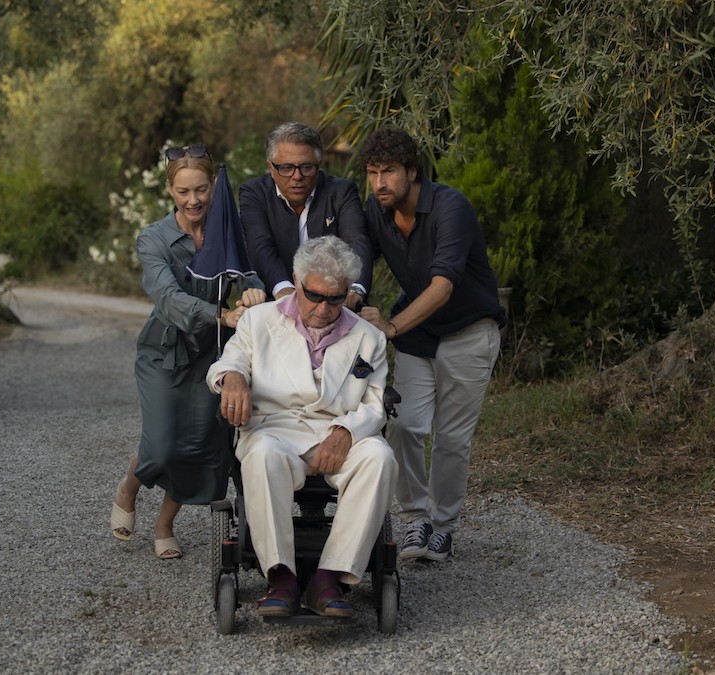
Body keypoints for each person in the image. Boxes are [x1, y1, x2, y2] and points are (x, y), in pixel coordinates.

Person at [206, 235, 396, 618]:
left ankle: (329, 578)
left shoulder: (369, 337)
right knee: (259, 455)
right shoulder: (259, 321)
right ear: (296, 280)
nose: (325, 309)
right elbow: (227, 364)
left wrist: (345, 432)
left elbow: (375, 403)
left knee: (380, 456)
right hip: (274, 430)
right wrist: (233, 379)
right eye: (315, 296)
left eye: (336, 299)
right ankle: (281, 577)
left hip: (336, 432)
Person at [354, 126, 506, 563]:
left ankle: (443, 527)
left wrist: (392, 327)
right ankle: (416, 519)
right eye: (372, 172)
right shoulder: (377, 210)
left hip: (468, 331)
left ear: (413, 171)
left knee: (451, 439)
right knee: (403, 424)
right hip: (422, 337)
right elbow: (357, 254)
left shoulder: (449, 208)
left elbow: (442, 287)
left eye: (389, 171)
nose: (380, 182)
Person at [110, 144, 266, 560]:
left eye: (201, 189)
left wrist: (254, 289)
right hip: (165, 351)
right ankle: (130, 483)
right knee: (162, 445)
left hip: (213, 355)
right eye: (183, 192)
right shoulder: (154, 239)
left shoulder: (227, 232)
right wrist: (221, 315)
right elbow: (167, 298)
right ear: (169, 190)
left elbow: (248, 271)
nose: (194, 200)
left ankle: (164, 524)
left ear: (213, 185)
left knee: (200, 443)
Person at [239, 122, 373, 308]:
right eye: (286, 168)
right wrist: (283, 289)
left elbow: (357, 241)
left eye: (307, 167)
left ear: (319, 165)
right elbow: (259, 244)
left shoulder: (341, 192)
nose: (297, 176)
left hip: (335, 304)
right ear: (270, 167)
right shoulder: (254, 193)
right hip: (276, 305)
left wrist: (355, 289)